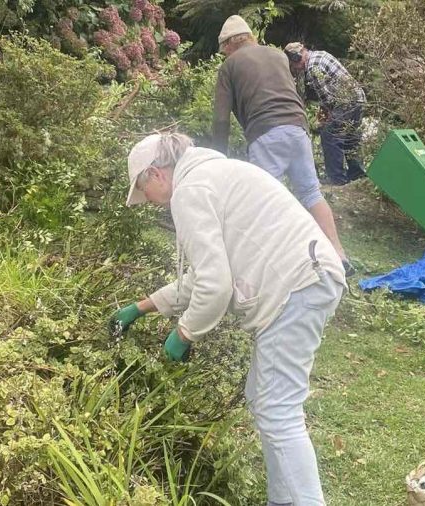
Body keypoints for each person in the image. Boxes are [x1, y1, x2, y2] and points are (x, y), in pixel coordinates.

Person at [109, 132, 346, 506]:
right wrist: (141, 307)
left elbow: (215, 286)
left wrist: (184, 334)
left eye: (144, 191)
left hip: (294, 285)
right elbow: (202, 275)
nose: (149, 202)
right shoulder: (211, 176)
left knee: (278, 410)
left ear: (155, 174)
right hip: (306, 278)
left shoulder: (190, 191)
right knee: (264, 398)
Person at [213, 15, 354, 276]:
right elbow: (292, 92)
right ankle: (339, 255)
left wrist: (218, 161)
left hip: (266, 132)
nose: (225, 54)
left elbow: (221, 119)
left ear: (230, 44)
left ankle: (277, 265)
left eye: (225, 49)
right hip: (297, 127)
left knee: (266, 200)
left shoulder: (230, 66)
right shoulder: (278, 55)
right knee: (311, 193)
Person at [284, 42, 367, 186]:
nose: (295, 69)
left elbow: (328, 100)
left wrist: (324, 120)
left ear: (296, 58)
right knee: (350, 137)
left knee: (330, 136)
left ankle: (337, 179)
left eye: (293, 65)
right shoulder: (320, 54)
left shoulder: (312, 69)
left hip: (346, 103)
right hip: (358, 98)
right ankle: (357, 175)